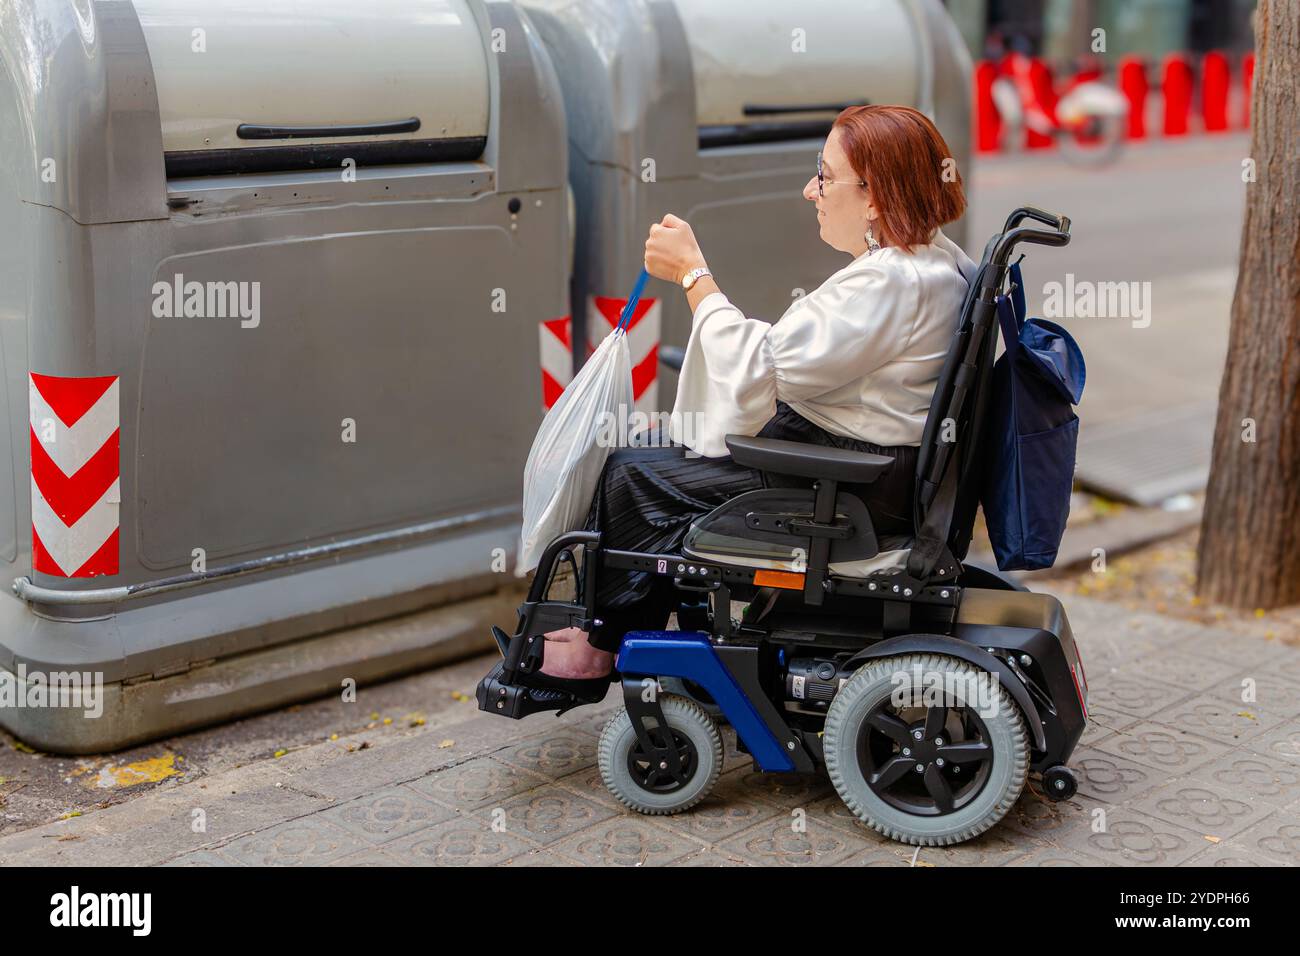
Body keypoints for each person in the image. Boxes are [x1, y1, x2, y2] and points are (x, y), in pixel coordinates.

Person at [535, 104, 976, 693]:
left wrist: (694, 275)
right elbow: (789, 360)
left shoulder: (892, 283)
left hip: (854, 486)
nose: (810, 190)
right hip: (875, 470)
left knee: (629, 475)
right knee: (655, 454)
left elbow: (756, 367)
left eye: (824, 175)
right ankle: (635, 629)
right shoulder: (940, 261)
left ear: (874, 196)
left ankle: (604, 643)